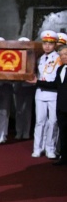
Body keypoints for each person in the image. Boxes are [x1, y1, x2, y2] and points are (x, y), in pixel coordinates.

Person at [31, 45, 67, 165]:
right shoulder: (60, 68)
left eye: (65, 54)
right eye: (61, 55)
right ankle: (40, 149)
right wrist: (37, 82)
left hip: (58, 99)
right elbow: (55, 84)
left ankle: (51, 149)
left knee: (54, 123)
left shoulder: (58, 64)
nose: (63, 57)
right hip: (55, 101)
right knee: (43, 122)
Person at [32, 30, 60, 159]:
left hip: (54, 94)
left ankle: (50, 148)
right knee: (39, 122)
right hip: (40, 94)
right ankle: (38, 147)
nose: (47, 46)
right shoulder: (40, 59)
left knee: (53, 122)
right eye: (45, 43)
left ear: (55, 44)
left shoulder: (59, 58)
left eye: (50, 43)